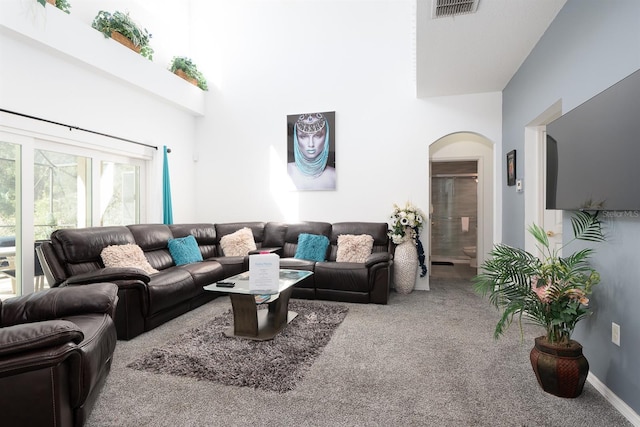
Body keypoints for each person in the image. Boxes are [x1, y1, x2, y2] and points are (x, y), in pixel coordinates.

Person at [287, 112, 336, 190]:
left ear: (326, 138)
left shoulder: (334, 176)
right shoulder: (286, 172)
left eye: (318, 136)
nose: (311, 144)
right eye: (303, 136)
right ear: (297, 139)